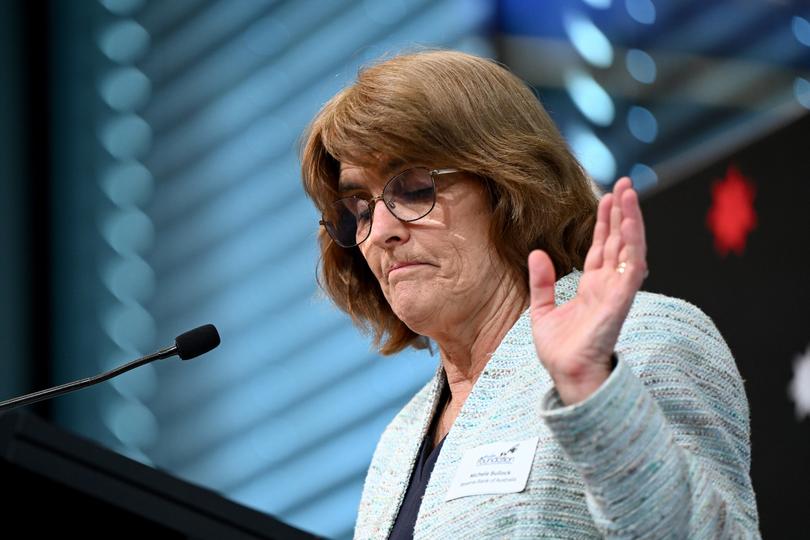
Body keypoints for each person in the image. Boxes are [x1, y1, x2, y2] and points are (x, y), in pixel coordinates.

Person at [300, 50, 759, 539]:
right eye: (359, 208)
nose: (380, 232)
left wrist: (592, 390)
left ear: (508, 183)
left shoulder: (643, 343)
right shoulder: (399, 442)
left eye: (413, 187)